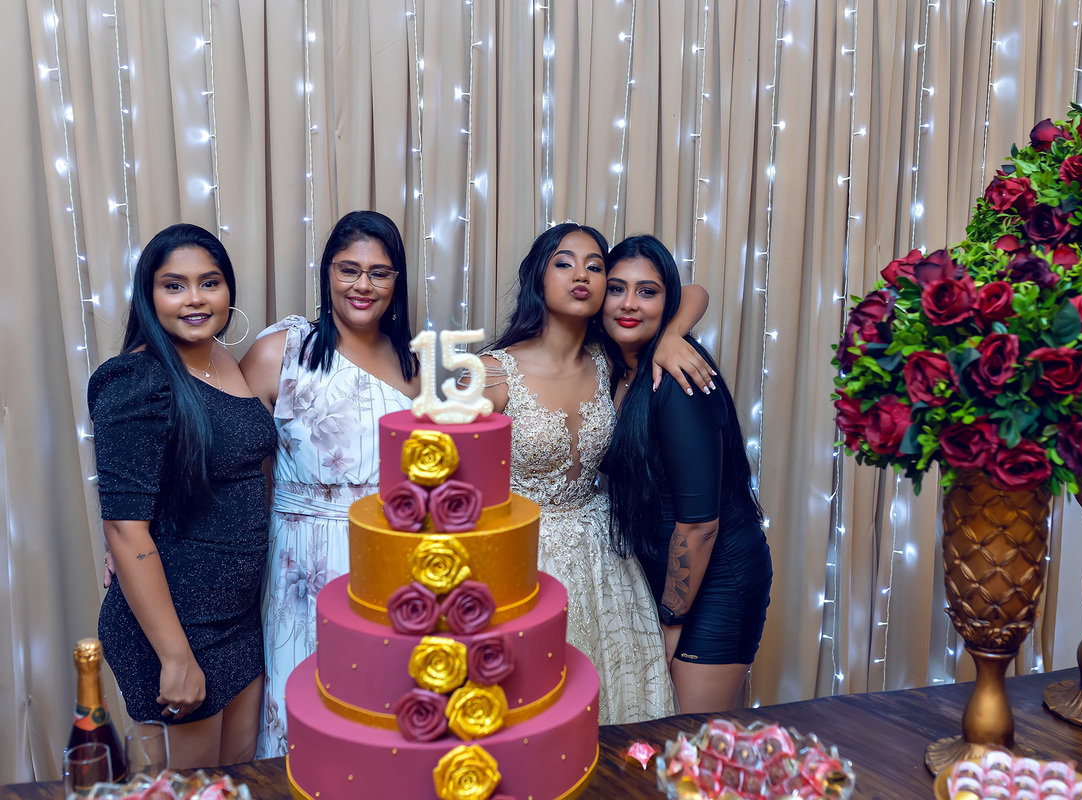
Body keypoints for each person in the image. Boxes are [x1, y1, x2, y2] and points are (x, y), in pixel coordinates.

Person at [478, 222, 712, 724]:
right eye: (564, 263)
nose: (581, 275)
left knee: (617, 710)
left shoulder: (611, 360)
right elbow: (452, 488)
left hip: (607, 557)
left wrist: (672, 334)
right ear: (538, 278)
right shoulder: (491, 374)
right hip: (524, 557)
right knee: (533, 712)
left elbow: (692, 291)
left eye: (595, 265)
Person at [90, 223, 276, 767]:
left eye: (209, 283)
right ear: (149, 296)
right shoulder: (135, 379)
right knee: (191, 792)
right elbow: (124, 526)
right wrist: (175, 657)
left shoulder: (222, 360)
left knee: (238, 783)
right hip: (176, 627)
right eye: (174, 286)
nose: (195, 299)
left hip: (237, 618)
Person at [239, 210, 420, 757]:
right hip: (302, 559)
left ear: (396, 282)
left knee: (380, 712)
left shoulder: (416, 366)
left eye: (379, 272)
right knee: (304, 705)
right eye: (349, 269)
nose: (363, 285)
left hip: (390, 558)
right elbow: (233, 462)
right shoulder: (283, 351)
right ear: (327, 274)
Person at [601, 234, 772, 714]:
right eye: (616, 288)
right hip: (661, 571)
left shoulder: (677, 381)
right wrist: (671, 330)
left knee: (690, 736)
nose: (629, 303)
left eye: (647, 292)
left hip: (718, 577)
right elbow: (696, 292)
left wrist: (669, 622)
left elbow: (700, 526)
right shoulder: (617, 365)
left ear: (666, 301)